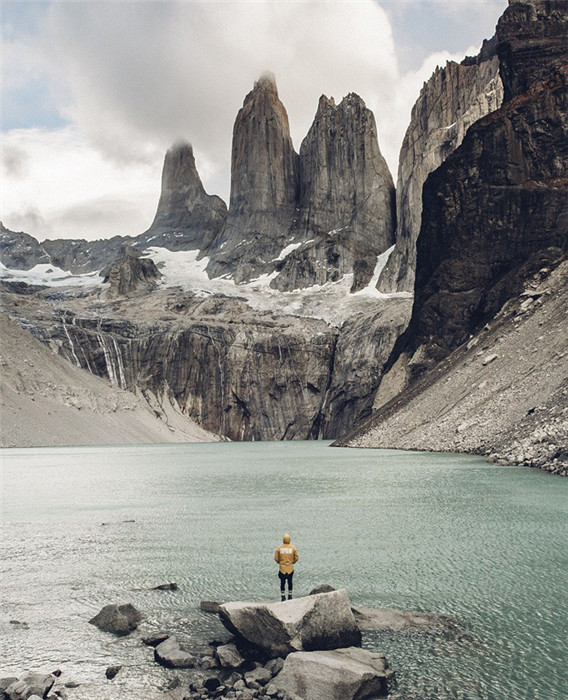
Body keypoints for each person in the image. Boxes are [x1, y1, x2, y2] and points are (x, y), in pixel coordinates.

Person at [274, 533, 299, 601]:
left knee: (282, 582)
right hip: (290, 568)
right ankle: (290, 595)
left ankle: (283, 596)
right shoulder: (293, 548)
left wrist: (280, 562)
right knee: (290, 582)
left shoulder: (279, 548)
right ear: (289, 540)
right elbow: (296, 557)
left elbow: (276, 558)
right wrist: (293, 562)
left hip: (282, 568)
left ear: (283, 540)